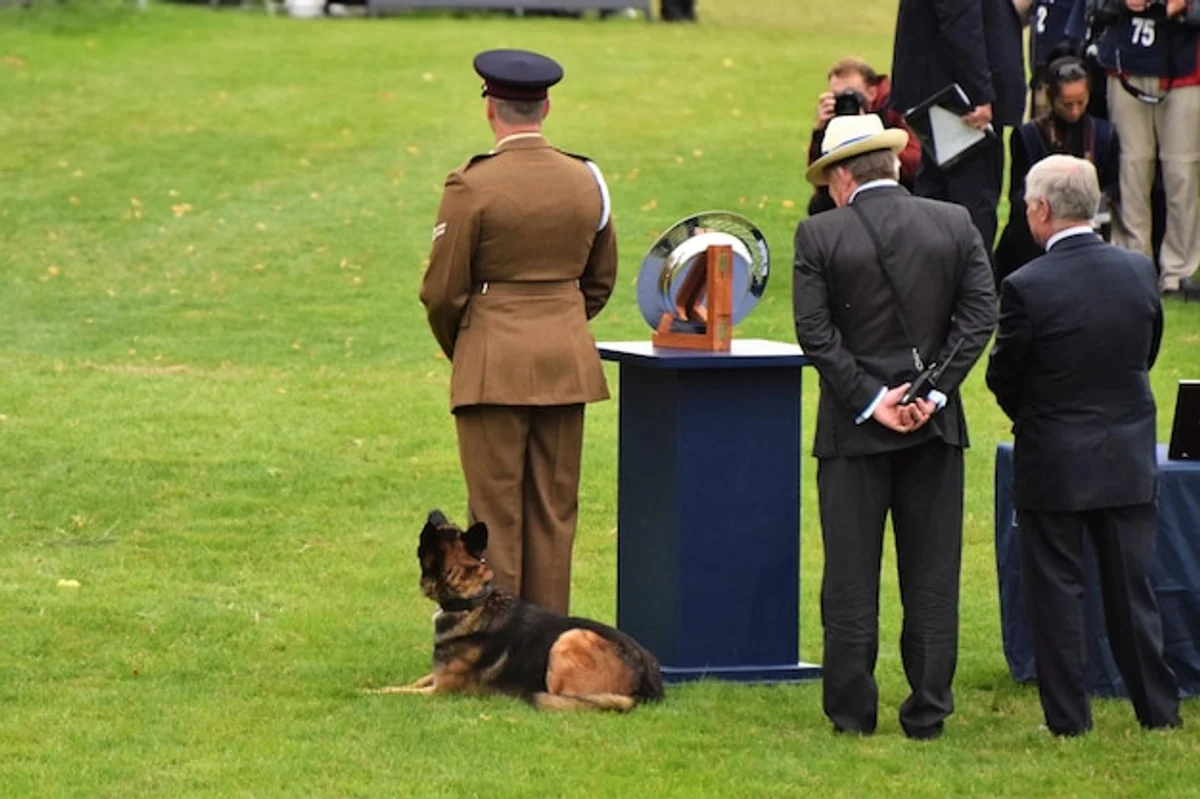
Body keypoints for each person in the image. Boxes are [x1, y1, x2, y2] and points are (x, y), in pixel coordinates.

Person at [792, 115, 997, 740]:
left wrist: (871, 399)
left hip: (854, 435)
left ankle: (852, 716)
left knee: (850, 579)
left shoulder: (818, 234)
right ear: (894, 166)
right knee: (932, 578)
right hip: (935, 430)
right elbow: (980, 313)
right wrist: (931, 392)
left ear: (844, 177)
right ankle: (928, 711)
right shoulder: (955, 222)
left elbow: (815, 333)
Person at [986, 155, 1181, 736]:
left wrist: (1039, 417)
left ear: (1041, 211)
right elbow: (1145, 352)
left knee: (1057, 592)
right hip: (1125, 453)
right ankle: (1157, 711)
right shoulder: (1139, 271)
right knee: (1132, 593)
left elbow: (1005, 376)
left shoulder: (1024, 286)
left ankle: (1070, 721)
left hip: (1054, 460)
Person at [419, 49, 617, 616]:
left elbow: (441, 292)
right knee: (554, 511)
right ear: (546, 106)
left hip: (492, 363)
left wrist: (468, 346)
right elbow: (599, 280)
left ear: (491, 110)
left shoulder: (472, 185)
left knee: (494, 515)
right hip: (565, 363)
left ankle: (499, 640)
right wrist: (561, 324)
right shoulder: (586, 180)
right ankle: (548, 637)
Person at [890, 0, 1026, 255]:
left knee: (936, 196)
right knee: (972, 204)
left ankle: (936, 285)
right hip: (958, 100)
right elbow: (961, 21)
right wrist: (979, 93)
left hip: (939, 90)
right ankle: (969, 290)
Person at [1092, 0, 1200, 297]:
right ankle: (1134, 262)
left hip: (1184, 65)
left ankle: (1178, 272)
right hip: (1126, 61)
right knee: (1132, 166)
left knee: (1182, 170)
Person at [994, 50, 1121, 283]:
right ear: (1052, 98)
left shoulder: (1103, 135)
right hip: (1038, 227)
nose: (1074, 111)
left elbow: (1112, 186)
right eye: (1066, 104)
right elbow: (1018, 194)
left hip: (1089, 223)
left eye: (1080, 103)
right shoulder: (1028, 135)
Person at [806, 57, 923, 216]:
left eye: (851, 94)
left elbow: (917, 162)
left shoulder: (895, 106)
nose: (846, 101)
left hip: (898, 189)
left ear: (872, 92)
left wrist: (868, 134)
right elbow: (821, 178)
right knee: (820, 205)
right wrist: (819, 131)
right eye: (837, 96)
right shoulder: (836, 117)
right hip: (851, 190)